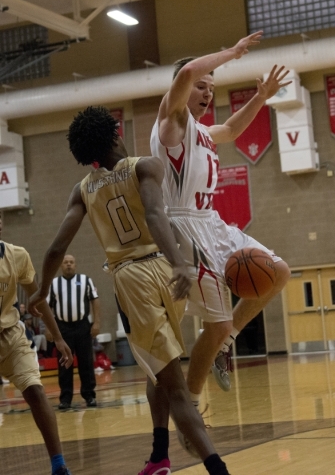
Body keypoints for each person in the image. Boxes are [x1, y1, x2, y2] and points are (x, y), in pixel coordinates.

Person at [28, 106, 233, 475]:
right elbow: (156, 216)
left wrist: (42, 290)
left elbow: (56, 248)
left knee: (174, 387)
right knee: (156, 371)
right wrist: (179, 263)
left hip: (132, 279)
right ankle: (159, 456)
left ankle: (216, 468)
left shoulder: (82, 190)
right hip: (167, 273)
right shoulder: (146, 166)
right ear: (115, 134)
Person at [150, 31, 292, 423]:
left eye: (211, 87)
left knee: (279, 273)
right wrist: (232, 52)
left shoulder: (201, 131)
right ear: (182, 88)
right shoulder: (171, 122)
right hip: (184, 228)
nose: (207, 91)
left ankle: (225, 344)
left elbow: (229, 131)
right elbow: (188, 71)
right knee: (214, 325)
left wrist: (261, 96)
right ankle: (191, 410)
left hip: (212, 223)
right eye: (201, 86)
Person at [0, 214, 73, 475]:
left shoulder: (16, 255)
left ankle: (59, 465)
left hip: (10, 335)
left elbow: (38, 298)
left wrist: (58, 337)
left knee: (35, 392)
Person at [48, 254, 100, 409]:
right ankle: (65, 398)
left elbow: (95, 300)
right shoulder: (54, 283)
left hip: (82, 326)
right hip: (62, 328)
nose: (68, 265)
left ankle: (89, 396)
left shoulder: (86, 280)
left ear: (75, 265)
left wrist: (96, 323)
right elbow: (48, 307)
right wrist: (50, 329)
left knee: (86, 362)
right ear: (61, 266)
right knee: (64, 364)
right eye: (65, 262)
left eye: (71, 262)